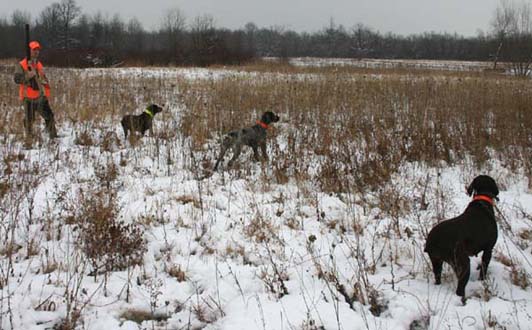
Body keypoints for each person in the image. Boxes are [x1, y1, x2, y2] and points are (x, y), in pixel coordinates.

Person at [14, 40, 58, 143]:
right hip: (28, 98)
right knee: (30, 119)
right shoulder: (21, 64)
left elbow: (44, 79)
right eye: (34, 50)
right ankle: (29, 139)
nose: (36, 52)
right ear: (29, 51)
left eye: (38, 50)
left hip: (40, 97)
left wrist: (46, 93)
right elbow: (16, 79)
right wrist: (27, 76)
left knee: (49, 116)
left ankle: (53, 137)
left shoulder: (39, 64)